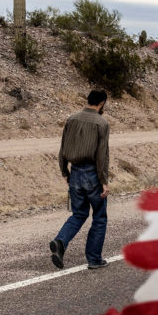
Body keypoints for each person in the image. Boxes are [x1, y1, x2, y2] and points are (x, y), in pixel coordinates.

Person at [50, 90, 110, 270]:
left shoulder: (72, 119)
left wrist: (65, 172)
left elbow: (62, 149)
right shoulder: (102, 123)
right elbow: (102, 156)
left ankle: (61, 241)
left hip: (74, 173)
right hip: (92, 175)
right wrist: (104, 180)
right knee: (99, 217)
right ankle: (94, 259)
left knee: (78, 214)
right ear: (101, 103)